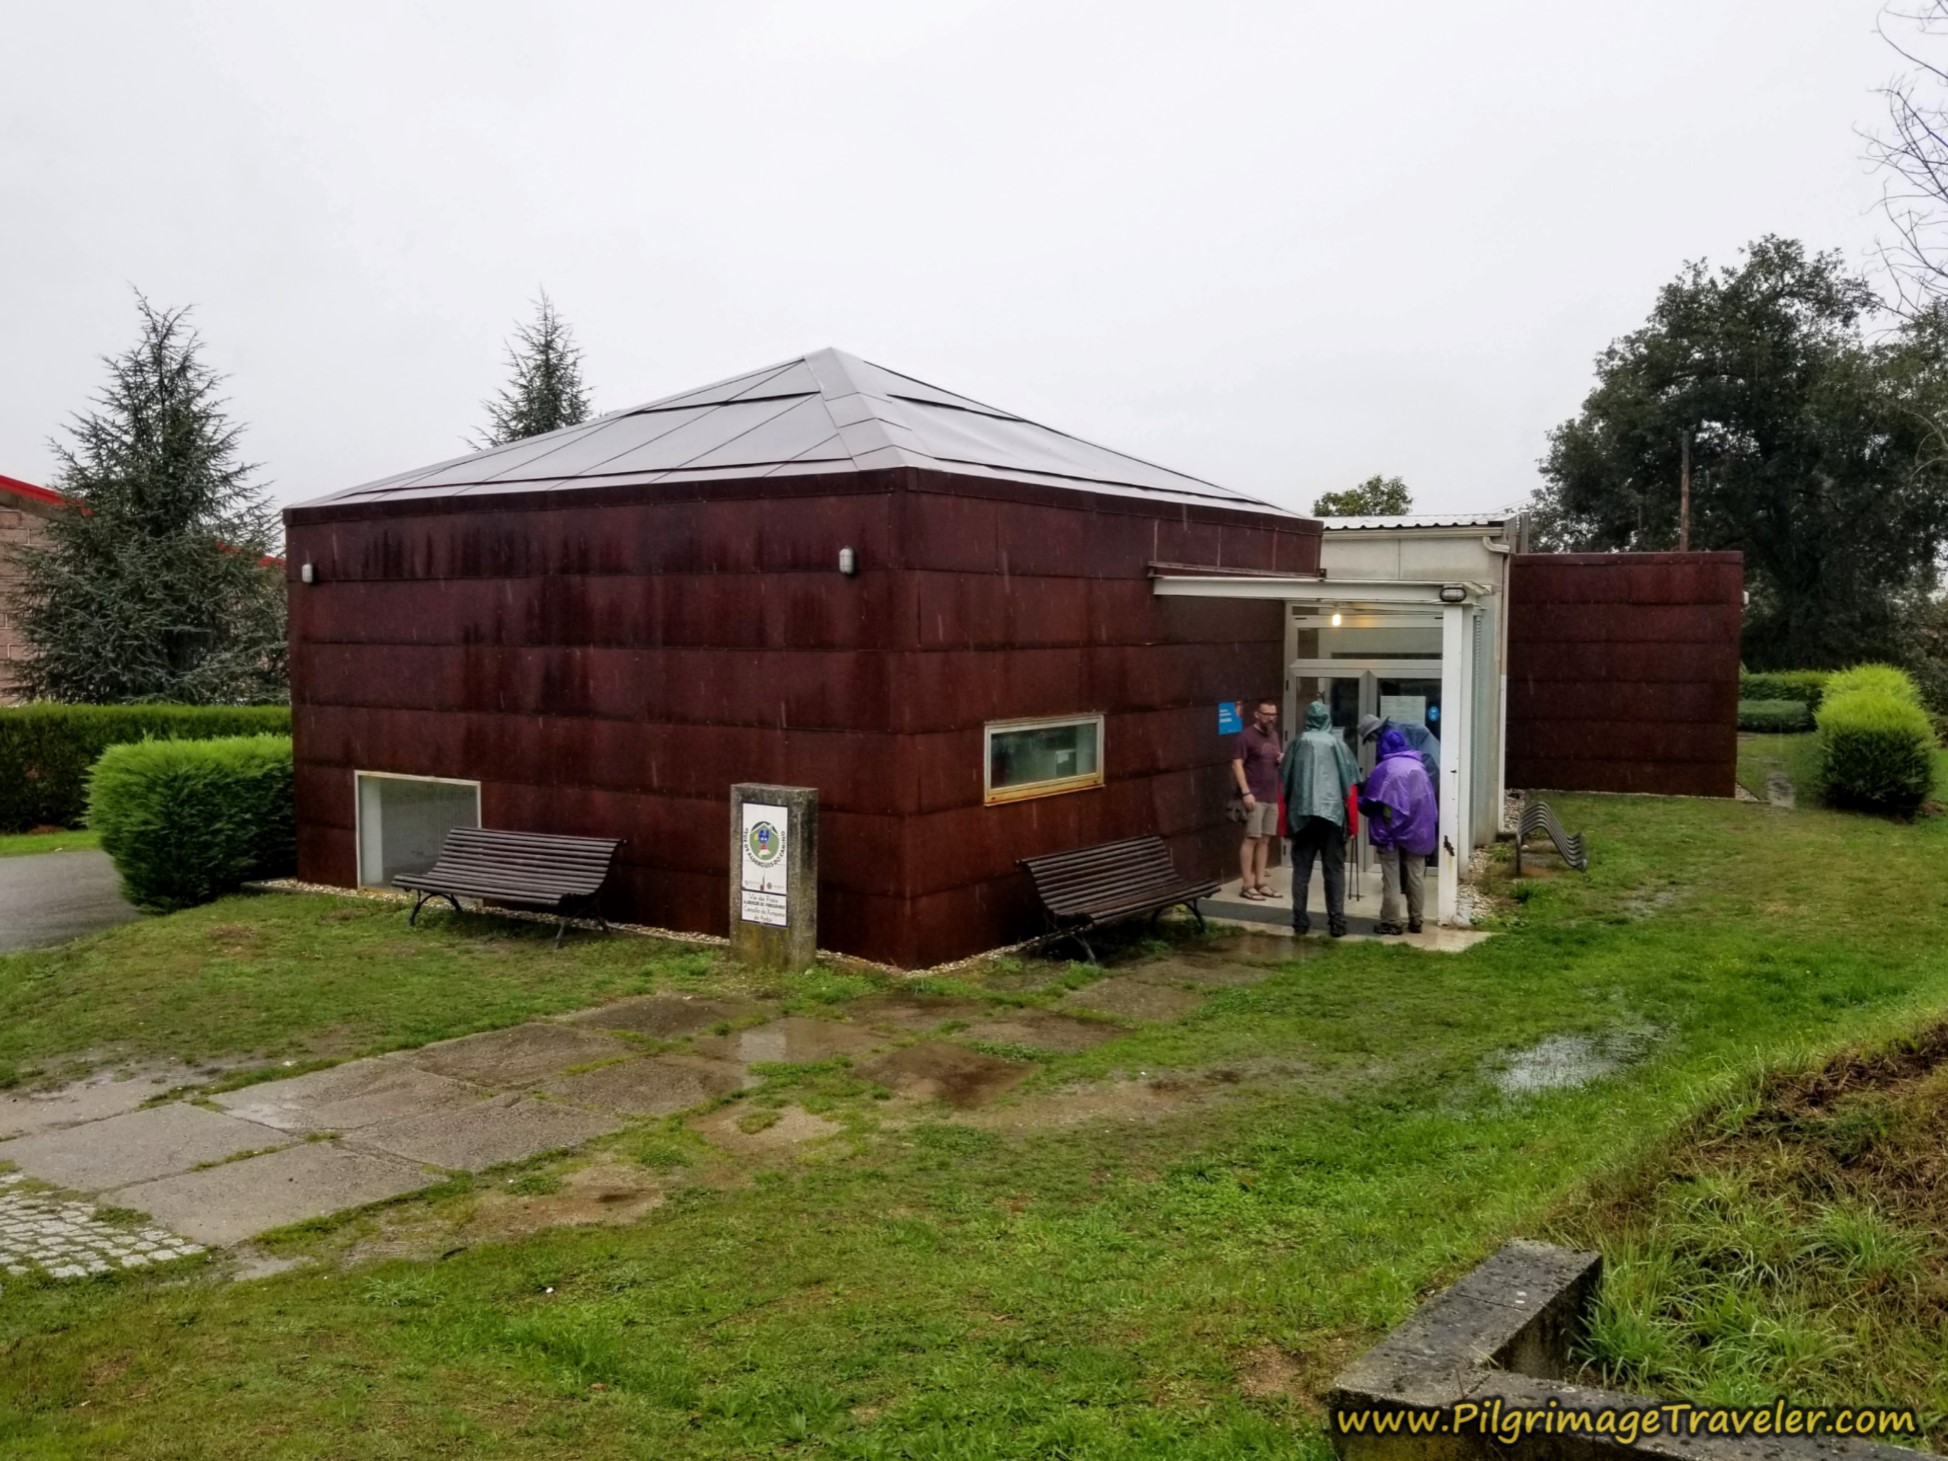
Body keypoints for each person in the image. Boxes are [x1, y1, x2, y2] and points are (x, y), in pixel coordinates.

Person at [1281, 700, 1359, 936]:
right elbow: (1350, 789)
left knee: (1301, 870)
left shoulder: (1297, 744)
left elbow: (1283, 785)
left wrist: (1284, 824)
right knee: (1334, 870)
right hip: (1332, 817)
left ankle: (1300, 920)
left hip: (1302, 815)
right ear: (1327, 719)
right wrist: (1353, 823)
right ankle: (1337, 922)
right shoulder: (1339, 745)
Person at [1360, 726, 1439, 935]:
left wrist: (1355, 799)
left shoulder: (1384, 768)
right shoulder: (1419, 767)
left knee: (1391, 877)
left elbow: (1370, 801)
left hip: (1390, 831)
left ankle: (1392, 922)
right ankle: (1416, 920)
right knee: (1416, 875)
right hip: (1418, 830)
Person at [1230, 699, 1283, 899]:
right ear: (1257, 714)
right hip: (1254, 795)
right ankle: (1247, 884)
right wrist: (1245, 792)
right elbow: (1237, 764)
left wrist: (1280, 759)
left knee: (1265, 839)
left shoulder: (1274, 735)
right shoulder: (1246, 736)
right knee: (1251, 838)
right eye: (1266, 714)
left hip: (1271, 795)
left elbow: (1272, 758)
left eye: (1273, 714)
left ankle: (1261, 881)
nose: (1270, 718)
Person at [1356, 713, 1440, 786]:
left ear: (1373, 734)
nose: (1371, 741)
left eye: (1369, 738)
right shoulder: (1394, 728)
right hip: (1432, 764)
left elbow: (1389, 768)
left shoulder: (1389, 737)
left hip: (1427, 770)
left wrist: (1369, 782)